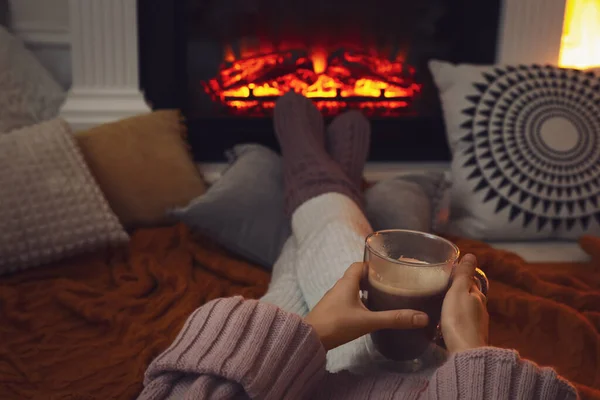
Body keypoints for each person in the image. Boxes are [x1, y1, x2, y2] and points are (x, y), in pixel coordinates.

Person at [138, 93, 578, 399]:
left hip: (297, 382)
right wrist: (469, 350)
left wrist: (313, 334)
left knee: (320, 254)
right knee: (346, 242)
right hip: (427, 379)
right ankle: (333, 180)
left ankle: (315, 175)